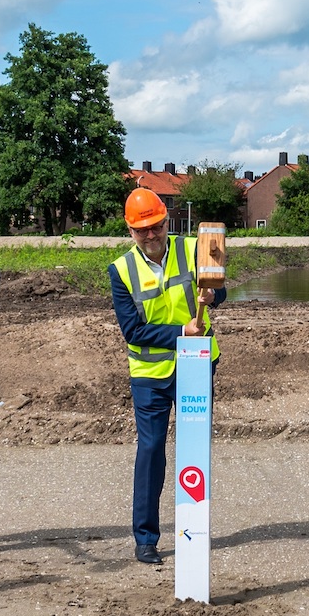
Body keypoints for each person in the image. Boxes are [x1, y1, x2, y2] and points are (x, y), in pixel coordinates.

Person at [108, 187, 224, 565]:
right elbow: (133, 331)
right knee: (151, 450)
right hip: (149, 373)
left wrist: (213, 295)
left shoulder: (193, 247)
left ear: (166, 222)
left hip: (197, 363)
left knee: (194, 449)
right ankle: (146, 538)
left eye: (156, 226)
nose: (151, 235)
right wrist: (182, 332)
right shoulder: (121, 270)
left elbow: (218, 288)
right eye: (142, 230)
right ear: (130, 231)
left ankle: (195, 531)